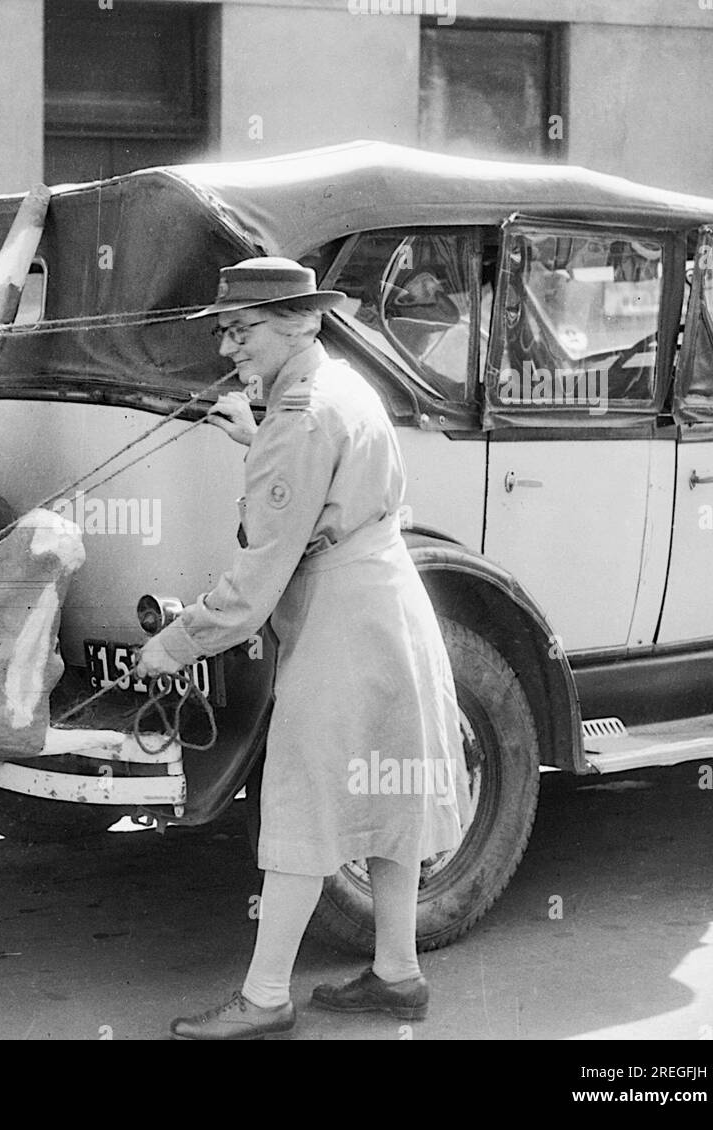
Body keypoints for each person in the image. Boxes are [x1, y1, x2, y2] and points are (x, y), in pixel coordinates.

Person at [135, 256, 465, 1040]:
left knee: (301, 803)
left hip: (342, 623)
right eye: (225, 332)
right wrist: (258, 434)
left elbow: (251, 592)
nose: (227, 350)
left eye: (241, 331)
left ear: (298, 322)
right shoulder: (335, 385)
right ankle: (397, 974)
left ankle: (265, 997)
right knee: (388, 792)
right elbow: (321, 477)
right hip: (387, 604)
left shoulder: (298, 419)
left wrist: (172, 646)